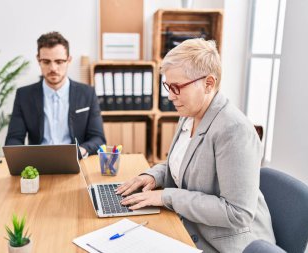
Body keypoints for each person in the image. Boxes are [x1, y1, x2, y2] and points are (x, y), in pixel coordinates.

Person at [116, 38, 275, 252]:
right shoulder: (190, 113)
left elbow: (237, 213)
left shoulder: (234, 130)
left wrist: (166, 196)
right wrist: (152, 176)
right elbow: (183, 165)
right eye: (168, 86)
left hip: (226, 245)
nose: (170, 96)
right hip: (192, 226)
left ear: (208, 83)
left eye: (177, 87)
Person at [5, 32, 105, 157]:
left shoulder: (87, 93)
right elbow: (13, 140)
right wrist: (24, 158)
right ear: (38, 60)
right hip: (38, 163)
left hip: (76, 161)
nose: (53, 68)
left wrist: (80, 151)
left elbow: (98, 139)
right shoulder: (24, 95)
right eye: (46, 62)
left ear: (69, 60)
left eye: (59, 61)